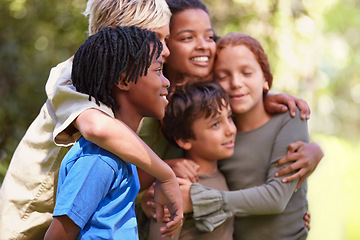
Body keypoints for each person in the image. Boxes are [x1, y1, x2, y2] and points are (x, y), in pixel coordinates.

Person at [0, 1, 183, 239]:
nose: (166, 50)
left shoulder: (125, 94)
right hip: (26, 225)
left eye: (166, 39)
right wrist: (165, 174)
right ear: (114, 30)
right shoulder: (70, 75)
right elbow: (97, 128)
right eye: (156, 37)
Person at [44, 25, 183, 239]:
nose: (166, 82)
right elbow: (58, 236)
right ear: (124, 80)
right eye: (158, 70)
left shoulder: (122, 153)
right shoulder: (99, 158)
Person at [189, 32, 311, 239]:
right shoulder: (217, 132)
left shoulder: (290, 116)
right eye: (223, 76)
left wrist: (199, 200)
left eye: (247, 73)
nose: (235, 83)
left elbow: (276, 198)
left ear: (265, 79)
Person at [148, 81, 236, 240]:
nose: (231, 129)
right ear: (184, 139)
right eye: (215, 124)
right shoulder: (177, 188)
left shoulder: (220, 174)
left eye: (229, 117)